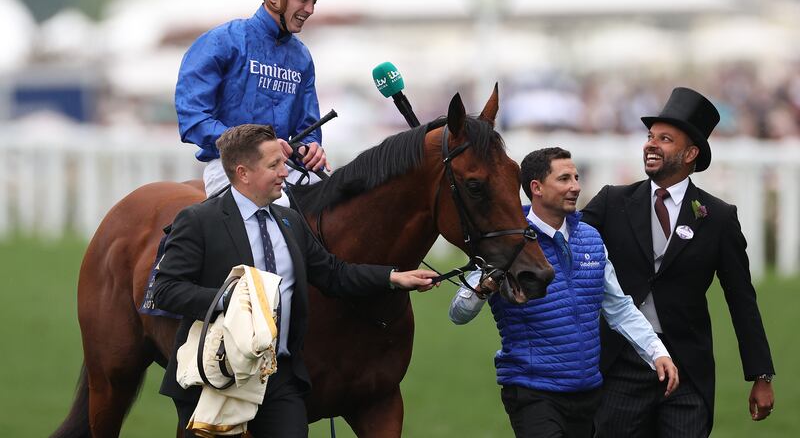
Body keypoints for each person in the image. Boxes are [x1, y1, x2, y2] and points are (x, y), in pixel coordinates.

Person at [153, 123, 438, 436]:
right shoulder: (198, 221)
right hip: (221, 376)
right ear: (243, 173)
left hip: (281, 378)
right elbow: (165, 290)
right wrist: (231, 300)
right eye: (274, 165)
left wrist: (393, 277)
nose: (285, 173)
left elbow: (333, 273)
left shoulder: (290, 221)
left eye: (283, 164)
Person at [581, 87, 776, 437]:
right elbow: (563, 239)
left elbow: (741, 299)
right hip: (621, 364)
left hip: (688, 371)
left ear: (690, 153)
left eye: (665, 139)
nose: (650, 144)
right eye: (650, 136)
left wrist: (761, 376)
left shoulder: (717, 217)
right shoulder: (612, 201)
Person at [449, 147, 679, 438]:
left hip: (588, 392)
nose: (576, 186)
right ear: (537, 188)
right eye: (564, 179)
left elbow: (619, 308)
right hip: (532, 392)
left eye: (577, 177)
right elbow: (458, 312)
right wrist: (484, 286)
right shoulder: (506, 242)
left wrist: (656, 353)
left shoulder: (591, 238)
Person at [174, 0, 340, 199]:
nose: (310, 10)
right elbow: (193, 119)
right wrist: (255, 146)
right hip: (233, 168)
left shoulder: (302, 57)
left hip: (286, 170)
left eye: (314, 1)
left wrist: (311, 147)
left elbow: (308, 125)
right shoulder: (222, 42)